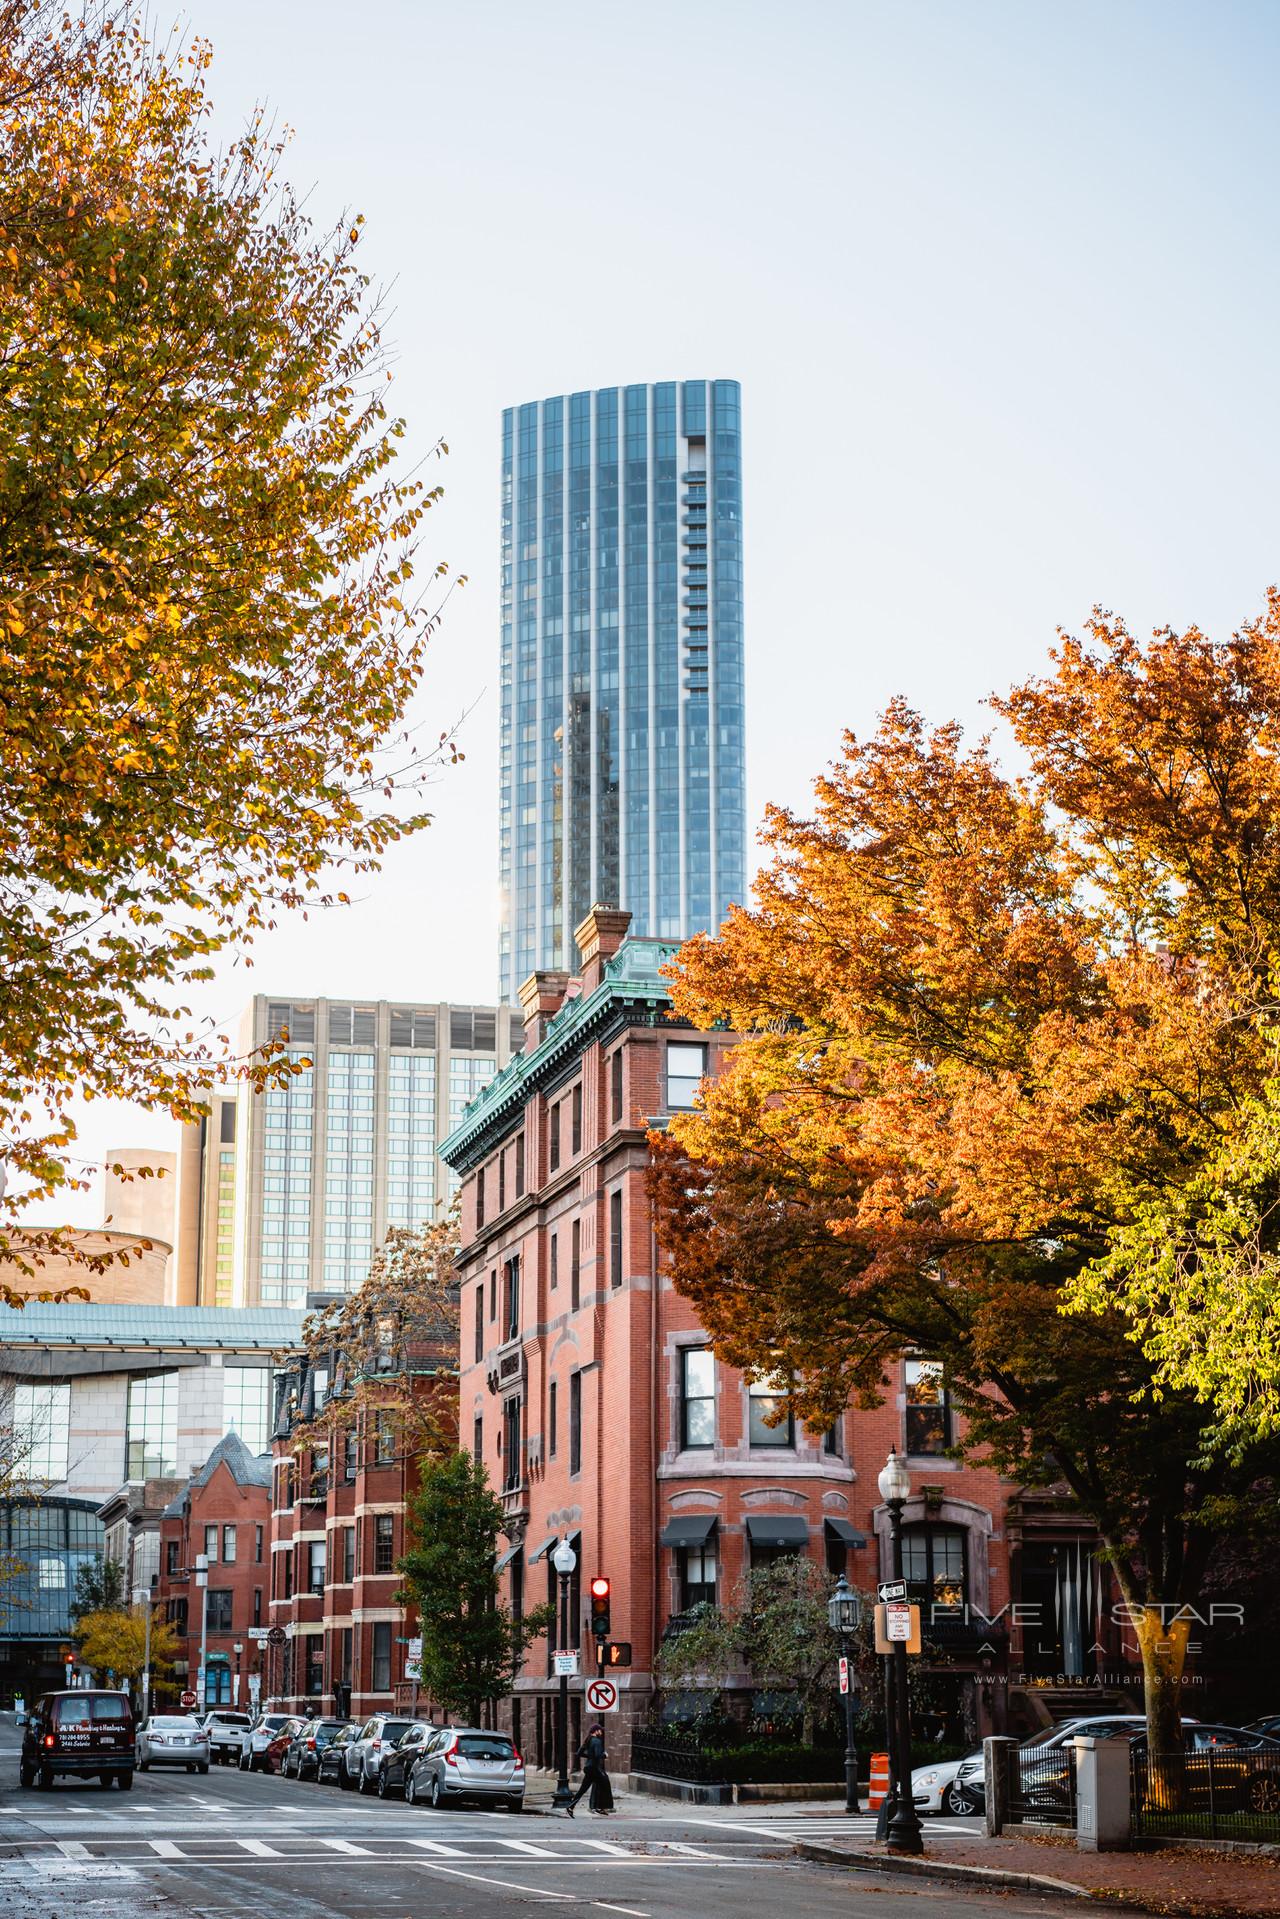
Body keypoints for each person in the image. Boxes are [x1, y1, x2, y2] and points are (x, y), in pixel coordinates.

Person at [565, 1723, 613, 1815]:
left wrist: (589, 1756)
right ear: (596, 1731)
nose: (601, 1732)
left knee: (584, 1788)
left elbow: (579, 1753)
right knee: (605, 1784)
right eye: (600, 1730)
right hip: (594, 1768)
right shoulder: (597, 1741)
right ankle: (599, 1807)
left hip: (589, 1767)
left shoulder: (588, 1740)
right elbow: (598, 1755)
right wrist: (605, 1755)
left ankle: (571, 1806)